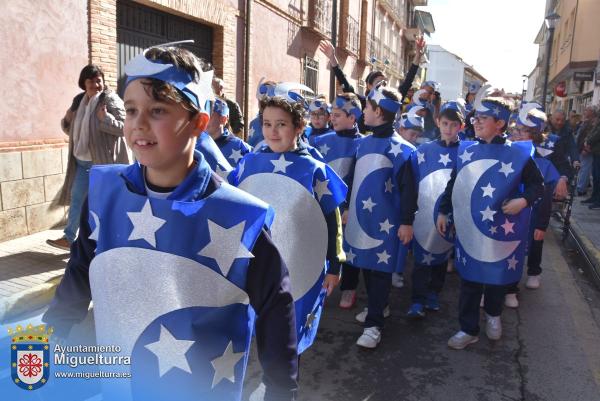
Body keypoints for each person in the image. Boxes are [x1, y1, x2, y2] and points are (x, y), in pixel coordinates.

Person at [43, 44, 298, 400]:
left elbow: (275, 305)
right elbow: (82, 267)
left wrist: (281, 388)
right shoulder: (103, 194)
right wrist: (56, 328)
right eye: (131, 110)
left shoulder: (239, 216)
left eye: (158, 110)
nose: (138, 124)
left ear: (198, 123)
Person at [229, 90, 347, 354]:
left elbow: (330, 220)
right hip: (256, 263)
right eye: (267, 124)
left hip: (300, 265)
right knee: (258, 328)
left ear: (299, 126)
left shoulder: (313, 169)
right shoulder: (249, 164)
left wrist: (335, 264)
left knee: (288, 338)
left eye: (281, 124)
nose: (272, 131)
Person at [437, 93, 543, 350]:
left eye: (483, 118)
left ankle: (494, 316)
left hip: (501, 229)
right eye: (476, 117)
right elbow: (454, 184)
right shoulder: (466, 151)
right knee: (471, 280)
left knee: (496, 276)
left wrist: (524, 201)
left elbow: (537, 185)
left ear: (501, 123)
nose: (476, 122)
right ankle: (468, 328)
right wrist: (443, 210)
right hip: (471, 226)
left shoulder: (518, 155)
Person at [344, 86, 416, 348]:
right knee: (364, 262)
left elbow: (409, 190)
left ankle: (374, 325)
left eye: (367, 107)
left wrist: (407, 221)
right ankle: (379, 305)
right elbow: (353, 178)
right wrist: (347, 206)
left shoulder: (404, 150)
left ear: (379, 112)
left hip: (388, 221)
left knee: (380, 271)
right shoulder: (362, 143)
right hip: (362, 217)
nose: (363, 111)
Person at [47, 65, 130, 251]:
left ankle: (104, 241)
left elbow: (124, 128)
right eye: (91, 81)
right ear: (84, 83)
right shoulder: (79, 101)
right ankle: (69, 238)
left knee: (101, 203)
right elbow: (74, 131)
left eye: (99, 80)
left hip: (100, 162)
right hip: (81, 162)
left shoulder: (109, 99)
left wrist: (105, 118)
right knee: (77, 200)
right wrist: (67, 121)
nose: (96, 84)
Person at [407, 101, 463, 318]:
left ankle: (433, 293)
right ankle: (417, 300)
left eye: (453, 124)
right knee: (422, 257)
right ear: (438, 123)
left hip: (451, 213)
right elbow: (413, 181)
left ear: (461, 126)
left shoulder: (466, 152)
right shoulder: (424, 150)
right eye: (445, 123)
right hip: (425, 212)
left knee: (442, 253)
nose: (448, 128)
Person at [311, 93, 364, 309]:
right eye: (331, 114)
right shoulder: (319, 140)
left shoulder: (364, 144)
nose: (332, 118)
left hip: (349, 206)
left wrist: (349, 206)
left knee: (348, 246)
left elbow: (359, 179)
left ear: (353, 117)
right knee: (323, 241)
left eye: (338, 115)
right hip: (324, 203)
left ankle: (349, 288)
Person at [504, 104, 560, 306]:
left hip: (530, 214)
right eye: (515, 129)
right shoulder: (506, 150)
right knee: (504, 247)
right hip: (506, 211)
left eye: (521, 131)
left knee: (526, 245)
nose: (516, 134)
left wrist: (541, 225)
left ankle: (520, 282)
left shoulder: (542, 161)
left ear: (535, 134)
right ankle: (500, 287)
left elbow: (544, 196)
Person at [319, 34, 426, 132]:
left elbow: (407, 82)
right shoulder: (360, 102)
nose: (382, 85)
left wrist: (417, 56)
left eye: (385, 82)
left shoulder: (391, 102)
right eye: (379, 82)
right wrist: (332, 59)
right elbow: (344, 82)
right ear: (369, 86)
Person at [205, 97, 252, 167]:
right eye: (204, 114)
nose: (205, 119)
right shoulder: (196, 143)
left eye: (210, 116)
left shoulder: (240, 147)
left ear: (223, 120)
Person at [576, 106, 598, 196]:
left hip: (587, 149)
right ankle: (582, 186)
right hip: (582, 148)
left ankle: (581, 188)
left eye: (587, 110)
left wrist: (585, 148)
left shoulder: (593, 122)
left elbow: (590, 136)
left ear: (592, 112)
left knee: (585, 169)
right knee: (583, 169)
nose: (584, 112)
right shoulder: (586, 121)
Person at [584, 114, 600, 209]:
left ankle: (598, 200)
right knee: (595, 177)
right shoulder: (597, 124)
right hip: (596, 153)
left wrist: (588, 141)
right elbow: (592, 133)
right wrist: (587, 140)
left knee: (598, 177)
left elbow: (596, 136)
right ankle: (594, 197)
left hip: (598, 153)